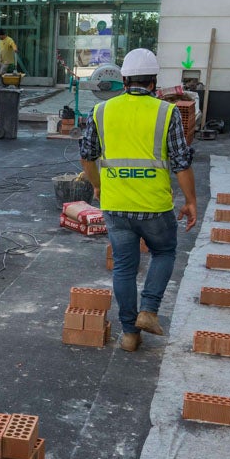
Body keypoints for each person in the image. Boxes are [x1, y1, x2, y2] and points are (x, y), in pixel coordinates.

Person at [78, 48, 198, 352]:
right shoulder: (166, 112)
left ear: (124, 79)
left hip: (116, 205)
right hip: (154, 206)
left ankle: (130, 334)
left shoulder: (102, 111)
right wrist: (191, 201)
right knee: (165, 251)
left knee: (124, 268)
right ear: (153, 82)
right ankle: (149, 310)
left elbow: (87, 155)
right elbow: (181, 162)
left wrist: (97, 186)